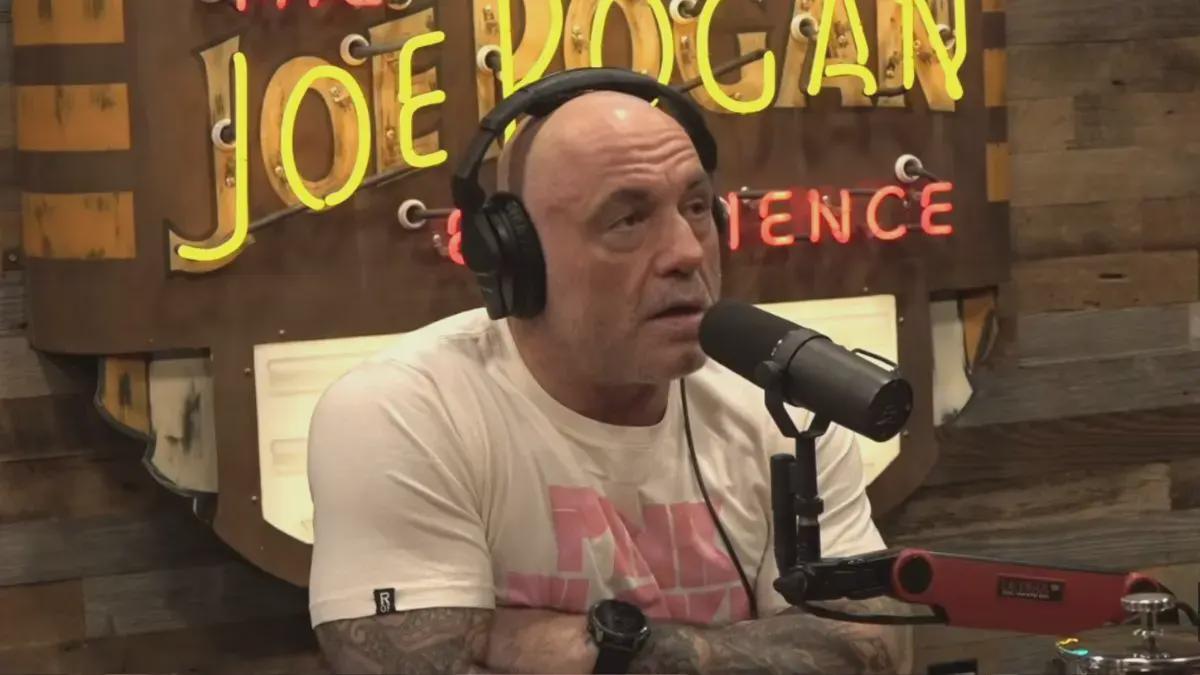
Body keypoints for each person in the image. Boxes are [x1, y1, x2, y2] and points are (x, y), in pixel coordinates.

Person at [306, 76, 912, 674]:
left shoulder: (786, 400)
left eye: (696, 208)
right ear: (516, 259)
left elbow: (873, 651)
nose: (687, 252)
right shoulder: (405, 409)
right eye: (627, 220)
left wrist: (582, 648)